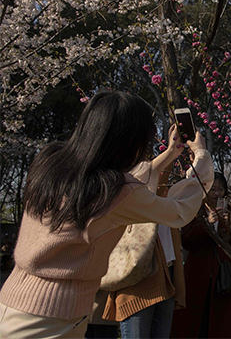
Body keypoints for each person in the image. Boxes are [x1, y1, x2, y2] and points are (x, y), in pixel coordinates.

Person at [0, 91, 214, 338]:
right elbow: (179, 211)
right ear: (129, 141)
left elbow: (126, 186)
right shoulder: (116, 192)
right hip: (54, 319)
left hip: (12, 303)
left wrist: (169, 154)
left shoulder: (51, 161)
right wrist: (201, 157)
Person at [102, 165, 188, 338]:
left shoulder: (167, 201)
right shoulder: (134, 197)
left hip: (166, 276)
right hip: (138, 282)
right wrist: (171, 151)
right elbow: (150, 177)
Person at [170, 172, 231, 338]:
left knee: (220, 326)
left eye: (221, 189)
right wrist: (206, 225)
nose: (216, 193)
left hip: (223, 278)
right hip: (198, 274)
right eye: (212, 189)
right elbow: (186, 241)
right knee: (195, 323)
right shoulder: (196, 211)